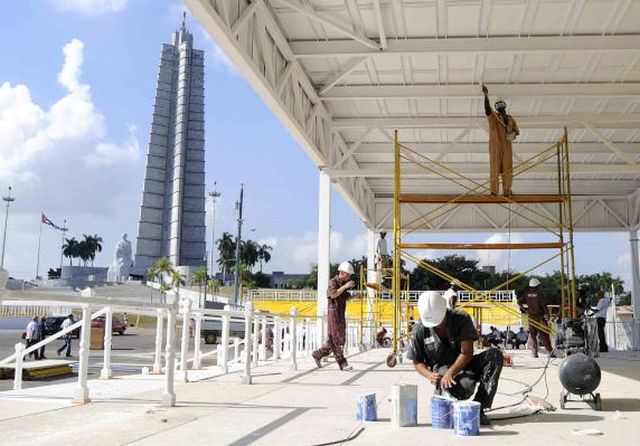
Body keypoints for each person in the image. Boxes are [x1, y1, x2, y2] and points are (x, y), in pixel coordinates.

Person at [408, 291, 503, 426]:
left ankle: (479, 408)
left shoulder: (461, 319)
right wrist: (429, 375)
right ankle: (447, 399)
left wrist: (450, 373)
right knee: (463, 389)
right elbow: (417, 361)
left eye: (439, 322)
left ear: (444, 311)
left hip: (465, 363)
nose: (436, 326)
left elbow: (467, 352)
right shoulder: (420, 329)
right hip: (441, 368)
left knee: (494, 356)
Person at [312, 261, 357, 371]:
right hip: (334, 313)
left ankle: (318, 354)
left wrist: (355, 296)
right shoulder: (332, 282)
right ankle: (342, 363)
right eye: (348, 274)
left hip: (340, 313)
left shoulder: (343, 284)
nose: (350, 276)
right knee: (337, 338)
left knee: (335, 339)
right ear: (342, 272)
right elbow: (333, 294)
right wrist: (346, 286)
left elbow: (345, 297)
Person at [482, 84, 519, 196]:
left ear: (504, 106)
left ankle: (507, 190)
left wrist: (512, 134)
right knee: (495, 167)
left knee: (508, 169)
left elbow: (516, 132)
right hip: (496, 146)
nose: (500, 107)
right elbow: (488, 110)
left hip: (507, 147)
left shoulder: (511, 119)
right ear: (497, 108)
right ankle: (494, 191)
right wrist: (486, 96)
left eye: (501, 105)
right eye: (498, 106)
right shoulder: (494, 118)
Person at [518, 278, 554, 358]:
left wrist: (525, 310)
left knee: (533, 336)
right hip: (540, 318)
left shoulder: (526, 294)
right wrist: (547, 315)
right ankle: (550, 351)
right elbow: (544, 306)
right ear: (537, 286)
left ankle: (534, 353)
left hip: (531, 317)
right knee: (545, 335)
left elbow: (519, 302)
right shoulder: (540, 294)